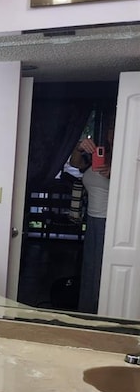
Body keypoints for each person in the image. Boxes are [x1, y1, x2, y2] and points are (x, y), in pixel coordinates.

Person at [69, 123, 114, 314]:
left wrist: (116, 174)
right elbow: (74, 164)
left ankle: (105, 313)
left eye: (116, 129)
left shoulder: (128, 160)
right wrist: (80, 147)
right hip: (92, 219)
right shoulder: (98, 154)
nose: (111, 133)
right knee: (90, 268)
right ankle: (87, 311)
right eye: (110, 129)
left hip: (111, 223)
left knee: (105, 270)